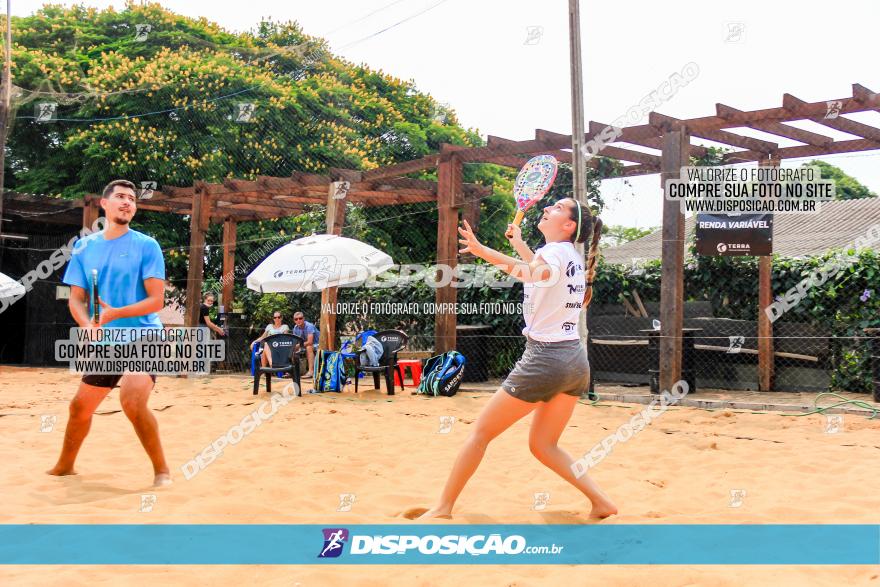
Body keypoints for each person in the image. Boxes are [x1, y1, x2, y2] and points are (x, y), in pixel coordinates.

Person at [420, 198, 617, 519]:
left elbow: (530, 273)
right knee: (544, 445)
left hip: (546, 361)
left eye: (556, 208)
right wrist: (522, 245)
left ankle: (443, 507)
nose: (548, 209)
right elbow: (540, 273)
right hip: (574, 362)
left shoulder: (554, 253)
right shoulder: (570, 255)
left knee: (480, 434)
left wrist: (482, 250)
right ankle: (601, 501)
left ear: (568, 226)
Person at [48, 179, 172, 488]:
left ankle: (162, 472)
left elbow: (157, 300)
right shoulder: (85, 247)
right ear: (105, 204)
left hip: (145, 336)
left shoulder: (147, 245)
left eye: (131, 198)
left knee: (131, 400)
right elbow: (77, 299)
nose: (127, 202)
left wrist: (115, 312)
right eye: (120, 197)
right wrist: (87, 325)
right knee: (79, 408)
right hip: (107, 341)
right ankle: (65, 466)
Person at [291, 311, 319, 378]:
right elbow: (295, 341)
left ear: (304, 319)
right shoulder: (295, 328)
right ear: (294, 320)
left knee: (309, 347)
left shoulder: (309, 326)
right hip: (304, 345)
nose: (298, 320)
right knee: (291, 348)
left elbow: (310, 342)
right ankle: (291, 371)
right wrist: (293, 346)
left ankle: (311, 371)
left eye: (300, 318)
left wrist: (298, 346)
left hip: (317, 344)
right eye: (296, 319)